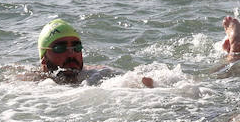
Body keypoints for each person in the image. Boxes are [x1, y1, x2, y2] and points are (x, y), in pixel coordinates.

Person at [23, 18, 152, 86]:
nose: (71, 54)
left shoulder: (97, 74)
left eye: (76, 47)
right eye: (60, 48)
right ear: (44, 57)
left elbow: (137, 80)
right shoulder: (31, 83)